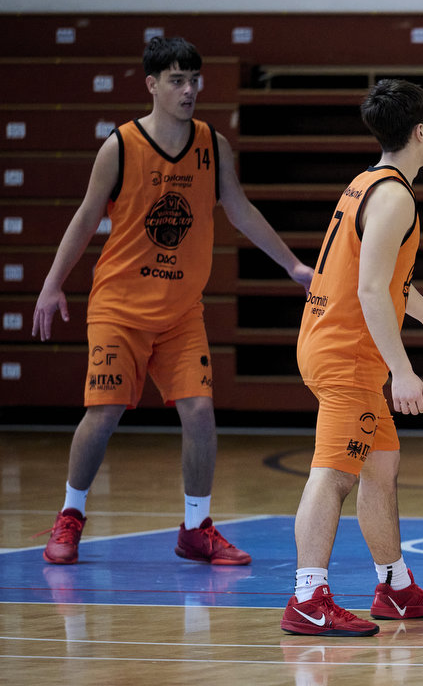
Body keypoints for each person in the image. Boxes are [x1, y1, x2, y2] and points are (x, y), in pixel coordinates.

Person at [33, 36, 313, 567]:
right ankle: (70, 515)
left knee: (200, 412)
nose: (189, 90)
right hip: (120, 306)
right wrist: (52, 283)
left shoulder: (212, 145)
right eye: (177, 80)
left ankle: (195, 528)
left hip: (181, 310)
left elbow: (240, 209)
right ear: (152, 85)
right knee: (104, 412)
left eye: (194, 80)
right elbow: (86, 217)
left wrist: (293, 265)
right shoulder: (120, 146)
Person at [281, 79, 423, 637]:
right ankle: (307, 598)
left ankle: (396, 587)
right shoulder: (394, 197)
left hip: (332, 343)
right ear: (420, 132)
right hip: (347, 355)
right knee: (334, 475)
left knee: (380, 468)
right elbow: (369, 291)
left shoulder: (369, 183)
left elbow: (383, 278)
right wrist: (404, 372)